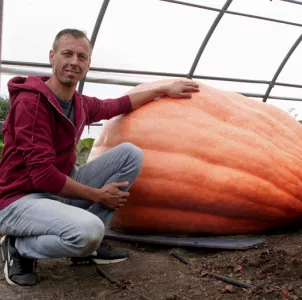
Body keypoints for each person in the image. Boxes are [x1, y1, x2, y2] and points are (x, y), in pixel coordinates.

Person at [0, 28, 199, 286]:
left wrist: (164, 89)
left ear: (88, 64)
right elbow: (43, 175)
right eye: (67, 54)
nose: (74, 61)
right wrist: (98, 195)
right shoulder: (31, 103)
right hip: (18, 201)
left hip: (54, 196)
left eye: (82, 57)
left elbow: (120, 104)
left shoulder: (80, 104)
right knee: (87, 232)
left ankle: (93, 246)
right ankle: (20, 247)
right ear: (52, 57)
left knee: (130, 154)